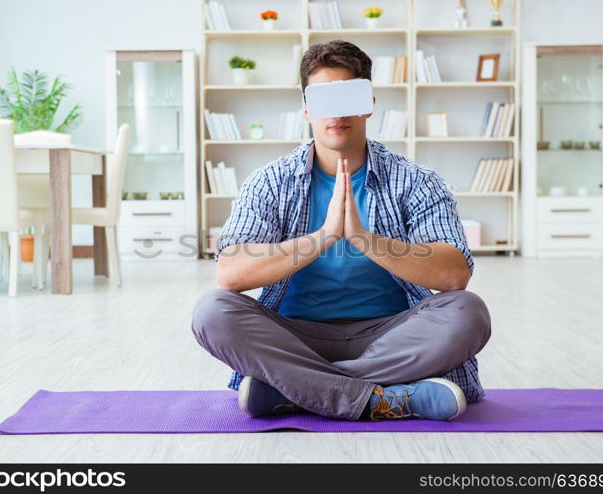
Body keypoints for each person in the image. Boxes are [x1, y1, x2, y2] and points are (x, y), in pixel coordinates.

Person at [191, 40, 491, 421]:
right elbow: (231, 273)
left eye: (347, 97)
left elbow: (454, 274)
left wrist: (364, 239)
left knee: (469, 312)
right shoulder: (269, 182)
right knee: (211, 311)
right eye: (322, 100)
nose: (337, 114)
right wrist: (323, 237)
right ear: (305, 110)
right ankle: (391, 399)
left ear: (368, 103)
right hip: (296, 338)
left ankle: (296, 393)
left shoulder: (417, 181)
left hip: (392, 336)